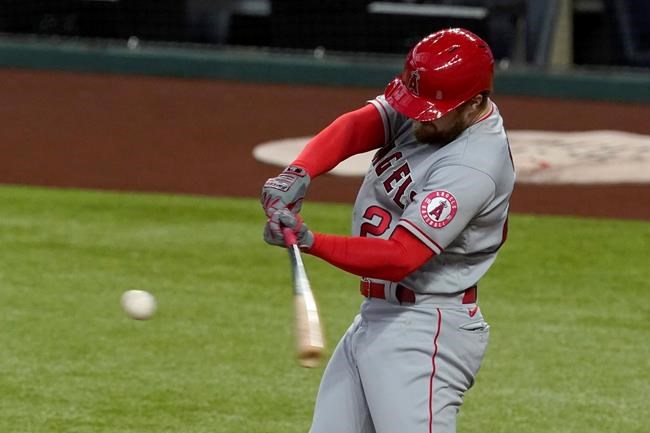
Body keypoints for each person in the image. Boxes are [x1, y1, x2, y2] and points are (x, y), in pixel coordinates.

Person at [261, 28, 515, 433]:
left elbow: (402, 257)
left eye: (428, 111)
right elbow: (361, 124)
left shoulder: (472, 164)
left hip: (426, 329)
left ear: (476, 104)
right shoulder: (436, 107)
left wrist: (310, 241)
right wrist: (300, 171)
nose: (415, 116)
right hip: (379, 316)